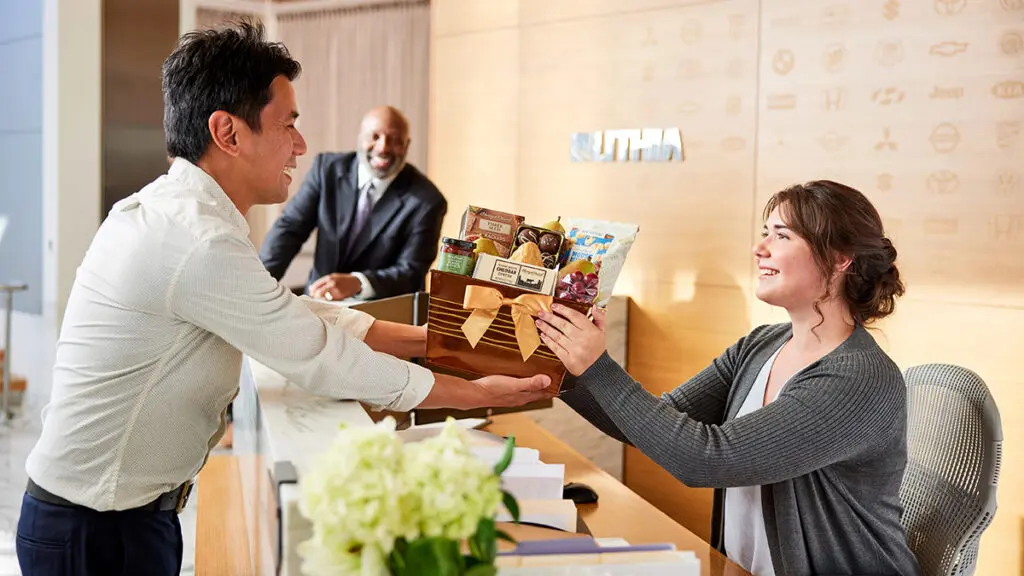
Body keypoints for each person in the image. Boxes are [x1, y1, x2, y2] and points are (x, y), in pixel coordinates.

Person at [17, 22, 551, 576]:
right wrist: (473, 393)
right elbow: (316, 353)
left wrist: (439, 340)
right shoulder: (195, 238)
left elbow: (300, 314)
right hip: (94, 533)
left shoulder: (186, 215)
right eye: (288, 125)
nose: (300, 144)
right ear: (227, 132)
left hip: (124, 519)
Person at [535, 180, 921, 575]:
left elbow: (705, 460)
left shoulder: (857, 381)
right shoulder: (761, 345)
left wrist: (597, 365)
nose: (760, 248)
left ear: (841, 258)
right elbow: (652, 422)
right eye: (765, 233)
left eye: (782, 236)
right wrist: (556, 368)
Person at [259, 105, 445, 301]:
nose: (383, 148)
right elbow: (289, 229)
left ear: (407, 146)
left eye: (395, 140)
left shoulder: (427, 200)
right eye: (375, 137)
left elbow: (412, 270)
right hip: (318, 303)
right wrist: (259, 285)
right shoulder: (326, 170)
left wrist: (358, 282)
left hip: (381, 315)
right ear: (361, 139)